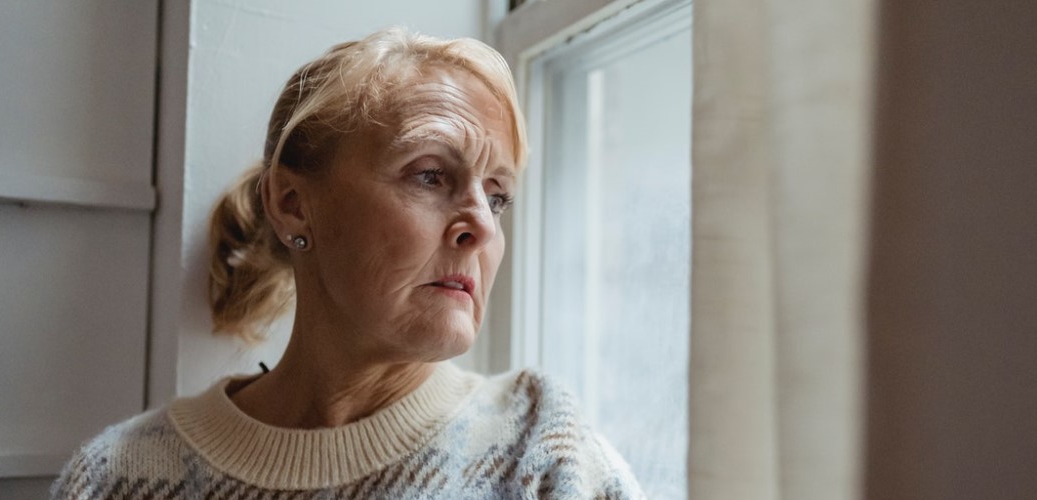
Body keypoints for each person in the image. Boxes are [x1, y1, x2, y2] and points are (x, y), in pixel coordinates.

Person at [51, 27, 644, 499]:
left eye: (497, 196)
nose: (482, 227)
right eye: (432, 175)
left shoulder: (542, 452)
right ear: (292, 205)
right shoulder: (117, 479)